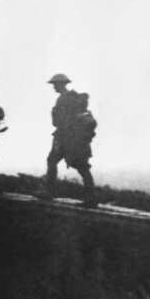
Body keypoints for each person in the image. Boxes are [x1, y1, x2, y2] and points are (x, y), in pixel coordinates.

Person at [38, 74, 98, 207]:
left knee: (75, 165)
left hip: (66, 138)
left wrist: (55, 116)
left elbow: (59, 122)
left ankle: (50, 192)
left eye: (55, 84)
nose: (53, 87)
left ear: (61, 84)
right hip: (72, 138)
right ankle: (91, 197)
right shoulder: (71, 98)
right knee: (79, 166)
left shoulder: (64, 99)